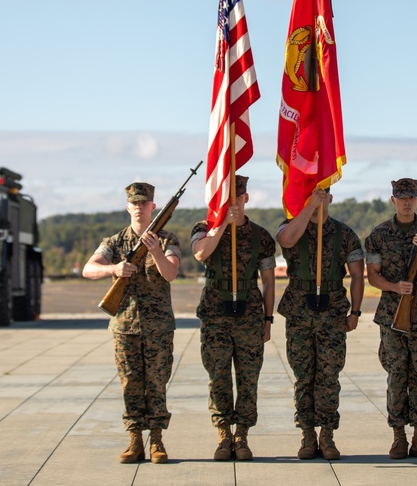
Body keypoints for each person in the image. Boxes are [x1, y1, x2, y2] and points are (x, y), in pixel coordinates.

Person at [82, 182, 181, 464]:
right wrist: (113, 268)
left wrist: (155, 252)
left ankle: (157, 441)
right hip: (125, 326)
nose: (139, 207)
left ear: (153, 207)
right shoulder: (114, 242)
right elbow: (89, 269)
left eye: (144, 203)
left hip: (158, 327)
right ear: (128, 207)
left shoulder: (166, 239)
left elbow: (171, 273)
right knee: (130, 384)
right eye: (134, 203)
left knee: (157, 383)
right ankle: (135, 439)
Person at [191, 175, 277, 461]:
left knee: (248, 377)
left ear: (246, 199)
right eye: (229, 198)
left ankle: (242, 436)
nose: (234, 203)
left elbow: (268, 281)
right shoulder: (204, 228)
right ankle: (223, 434)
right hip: (216, 313)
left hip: (250, 315)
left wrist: (268, 320)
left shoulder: (261, 237)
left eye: (238, 198)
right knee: (218, 377)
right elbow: (201, 254)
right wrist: (222, 225)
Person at [276, 187, 365, 461]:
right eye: (314, 194)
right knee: (304, 376)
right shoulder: (291, 226)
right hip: (300, 311)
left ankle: (327, 435)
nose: (319, 199)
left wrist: (356, 312)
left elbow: (358, 275)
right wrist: (309, 208)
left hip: (332, 311)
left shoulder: (345, 234)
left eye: (323, 194)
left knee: (329, 376)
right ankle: (307, 435)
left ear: (331, 198)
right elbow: (288, 240)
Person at [364, 178, 417, 461]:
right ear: (393, 200)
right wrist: (395, 287)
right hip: (392, 317)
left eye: (411, 197)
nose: (407, 202)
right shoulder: (378, 235)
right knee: (396, 377)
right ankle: (398, 438)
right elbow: (372, 276)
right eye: (401, 197)